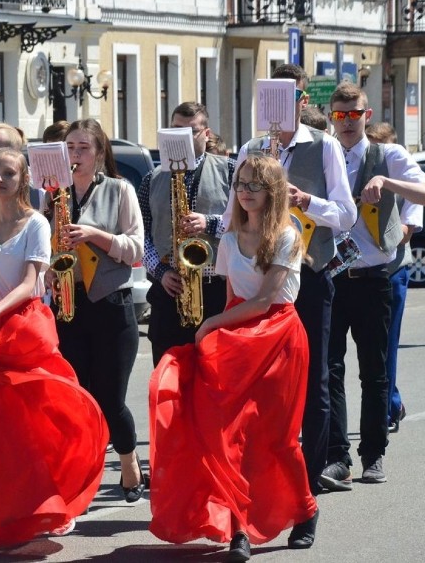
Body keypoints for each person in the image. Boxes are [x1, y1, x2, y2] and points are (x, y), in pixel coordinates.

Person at [0, 148, 108, 554]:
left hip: (22, 327)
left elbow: (32, 282)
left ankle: (33, 513)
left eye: (8, 173)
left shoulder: (36, 225)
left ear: (23, 178)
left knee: (28, 433)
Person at [149, 154, 318, 562]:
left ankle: (306, 510)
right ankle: (240, 527)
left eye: (253, 185)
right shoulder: (227, 239)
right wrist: (220, 338)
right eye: (240, 184)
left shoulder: (287, 235)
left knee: (277, 438)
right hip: (239, 340)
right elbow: (233, 296)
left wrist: (211, 325)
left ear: (272, 191)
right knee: (232, 437)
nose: (243, 192)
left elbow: (264, 301)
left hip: (279, 337)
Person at [225, 64, 356, 520]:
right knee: (258, 385)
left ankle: (308, 484)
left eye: (291, 96)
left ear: (303, 101)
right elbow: (231, 216)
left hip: (309, 271)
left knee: (314, 380)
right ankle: (259, 477)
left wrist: (306, 202)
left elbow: (346, 214)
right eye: (271, 97)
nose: (281, 106)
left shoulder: (323, 147)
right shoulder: (251, 148)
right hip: (260, 276)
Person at [320, 83, 425, 490]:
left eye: (355, 115)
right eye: (340, 115)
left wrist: (388, 184)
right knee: (329, 370)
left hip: (374, 279)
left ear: (367, 115)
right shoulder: (324, 153)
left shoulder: (387, 154)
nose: (348, 122)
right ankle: (338, 457)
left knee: (374, 374)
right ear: (331, 116)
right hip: (332, 278)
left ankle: (373, 454)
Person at [50, 119, 147, 502]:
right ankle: (83, 475)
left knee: (109, 398)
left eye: (83, 148)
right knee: (76, 399)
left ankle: (128, 463)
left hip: (111, 305)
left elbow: (136, 248)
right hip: (70, 308)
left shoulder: (119, 190)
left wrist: (94, 235)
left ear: (100, 152)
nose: (75, 155)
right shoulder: (54, 194)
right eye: (70, 148)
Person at [138, 102, 234, 367]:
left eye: (190, 132)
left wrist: (210, 223)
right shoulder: (151, 178)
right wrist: (160, 272)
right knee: (168, 377)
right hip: (169, 288)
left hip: (215, 289)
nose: (181, 138)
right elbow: (142, 234)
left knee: (214, 379)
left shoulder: (230, 170)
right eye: (175, 130)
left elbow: (246, 222)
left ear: (206, 134)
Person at [366, 122, 412, 432]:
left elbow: (406, 232)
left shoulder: (404, 182)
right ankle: (392, 401)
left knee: (385, 345)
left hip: (393, 270)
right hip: (357, 272)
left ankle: (384, 410)